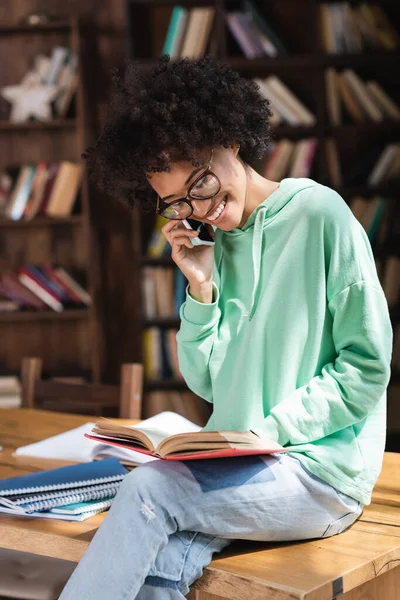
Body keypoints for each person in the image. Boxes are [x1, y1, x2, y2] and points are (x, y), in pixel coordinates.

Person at [59, 55, 393, 600]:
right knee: (162, 564)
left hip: (319, 474)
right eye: (177, 203)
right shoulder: (218, 249)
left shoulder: (320, 215)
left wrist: (272, 430)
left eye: (202, 183)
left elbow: (366, 366)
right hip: (243, 467)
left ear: (231, 141)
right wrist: (200, 290)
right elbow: (208, 384)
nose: (201, 208)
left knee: (149, 492)